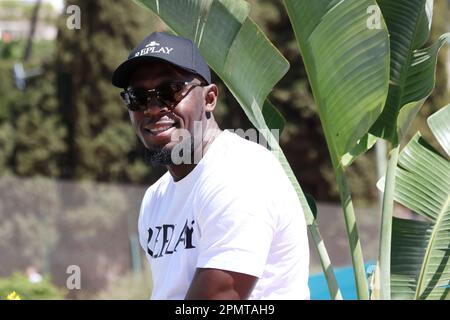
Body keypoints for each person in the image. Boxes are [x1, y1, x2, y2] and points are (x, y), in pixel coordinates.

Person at [112, 31, 310, 300]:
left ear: (209, 98)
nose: (153, 108)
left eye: (169, 91)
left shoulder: (242, 173)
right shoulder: (155, 199)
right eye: (138, 97)